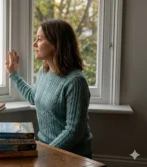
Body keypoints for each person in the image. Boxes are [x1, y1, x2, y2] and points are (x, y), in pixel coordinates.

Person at [5, 19, 93, 159]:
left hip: (71, 156)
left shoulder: (76, 81)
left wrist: (46, 153)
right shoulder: (44, 71)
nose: (34, 44)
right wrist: (13, 74)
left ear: (56, 44)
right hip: (47, 150)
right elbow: (34, 97)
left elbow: (74, 131)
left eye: (39, 39)